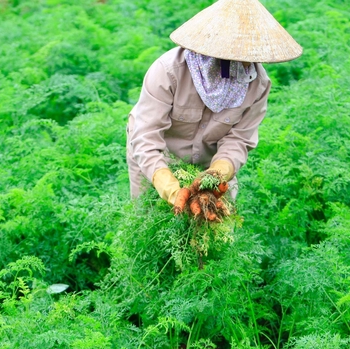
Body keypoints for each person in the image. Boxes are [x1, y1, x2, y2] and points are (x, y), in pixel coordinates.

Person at [126, 0, 302, 205]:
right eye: (239, 56)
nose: (246, 64)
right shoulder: (169, 71)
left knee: (214, 225)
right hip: (159, 159)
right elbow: (146, 137)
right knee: (147, 216)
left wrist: (217, 174)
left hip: (210, 163)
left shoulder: (257, 84)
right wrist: (172, 190)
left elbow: (238, 141)